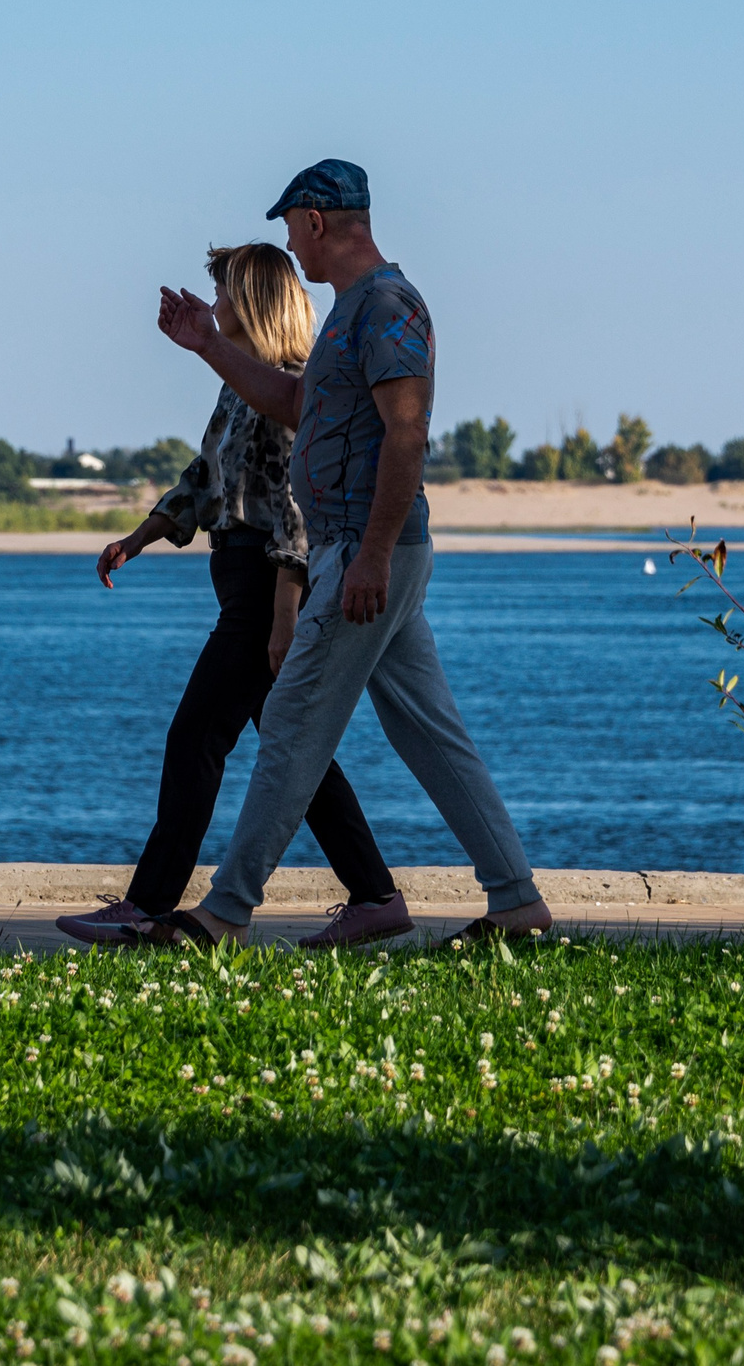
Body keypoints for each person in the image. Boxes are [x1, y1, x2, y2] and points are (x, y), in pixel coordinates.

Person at [141, 158, 553, 946]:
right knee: (430, 734)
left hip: (367, 554)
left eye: (291, 229)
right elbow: (296, 403)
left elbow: (408, 432)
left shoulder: (388, 306)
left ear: (316, 220)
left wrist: (372, 556)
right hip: (357, 552)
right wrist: (207, 345)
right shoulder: (347, 313)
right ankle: (517, 901)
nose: (291, 248)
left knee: (291, 723)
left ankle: (223, 914)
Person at [56, 243, 413, 951]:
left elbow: (296, 509)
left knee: (196, 737)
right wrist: (138, 537)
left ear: (251, 302)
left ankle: (148, 905)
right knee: (295, 749)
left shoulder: (290, 390)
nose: (215, 305)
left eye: (223, 293)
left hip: (261, 589)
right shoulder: (238, 387)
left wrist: (283, 615)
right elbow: (203, 477)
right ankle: (376, 895)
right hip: (239, 582)